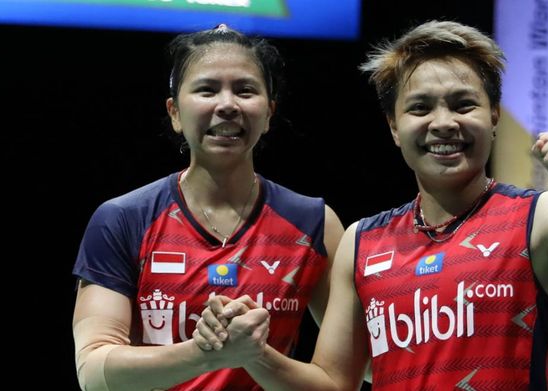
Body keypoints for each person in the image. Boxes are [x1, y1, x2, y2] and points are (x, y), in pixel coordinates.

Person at [195, 20, 548, 390]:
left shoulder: (542, 218)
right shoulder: (362, 241)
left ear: (493, 116)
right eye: (420, 108)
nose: (442, 123)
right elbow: (334, 383)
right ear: (393, 126)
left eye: (463, 104)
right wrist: (253, 353)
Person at [71, 24, 344, 391]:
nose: (227, 104)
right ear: (175, 113)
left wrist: (254, 354)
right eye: (207, 89)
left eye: (245, 90)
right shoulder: (123, 219)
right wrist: (207, 354)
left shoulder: (314, 224)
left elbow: (344, 380)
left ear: (268, 114)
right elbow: (94, 370)